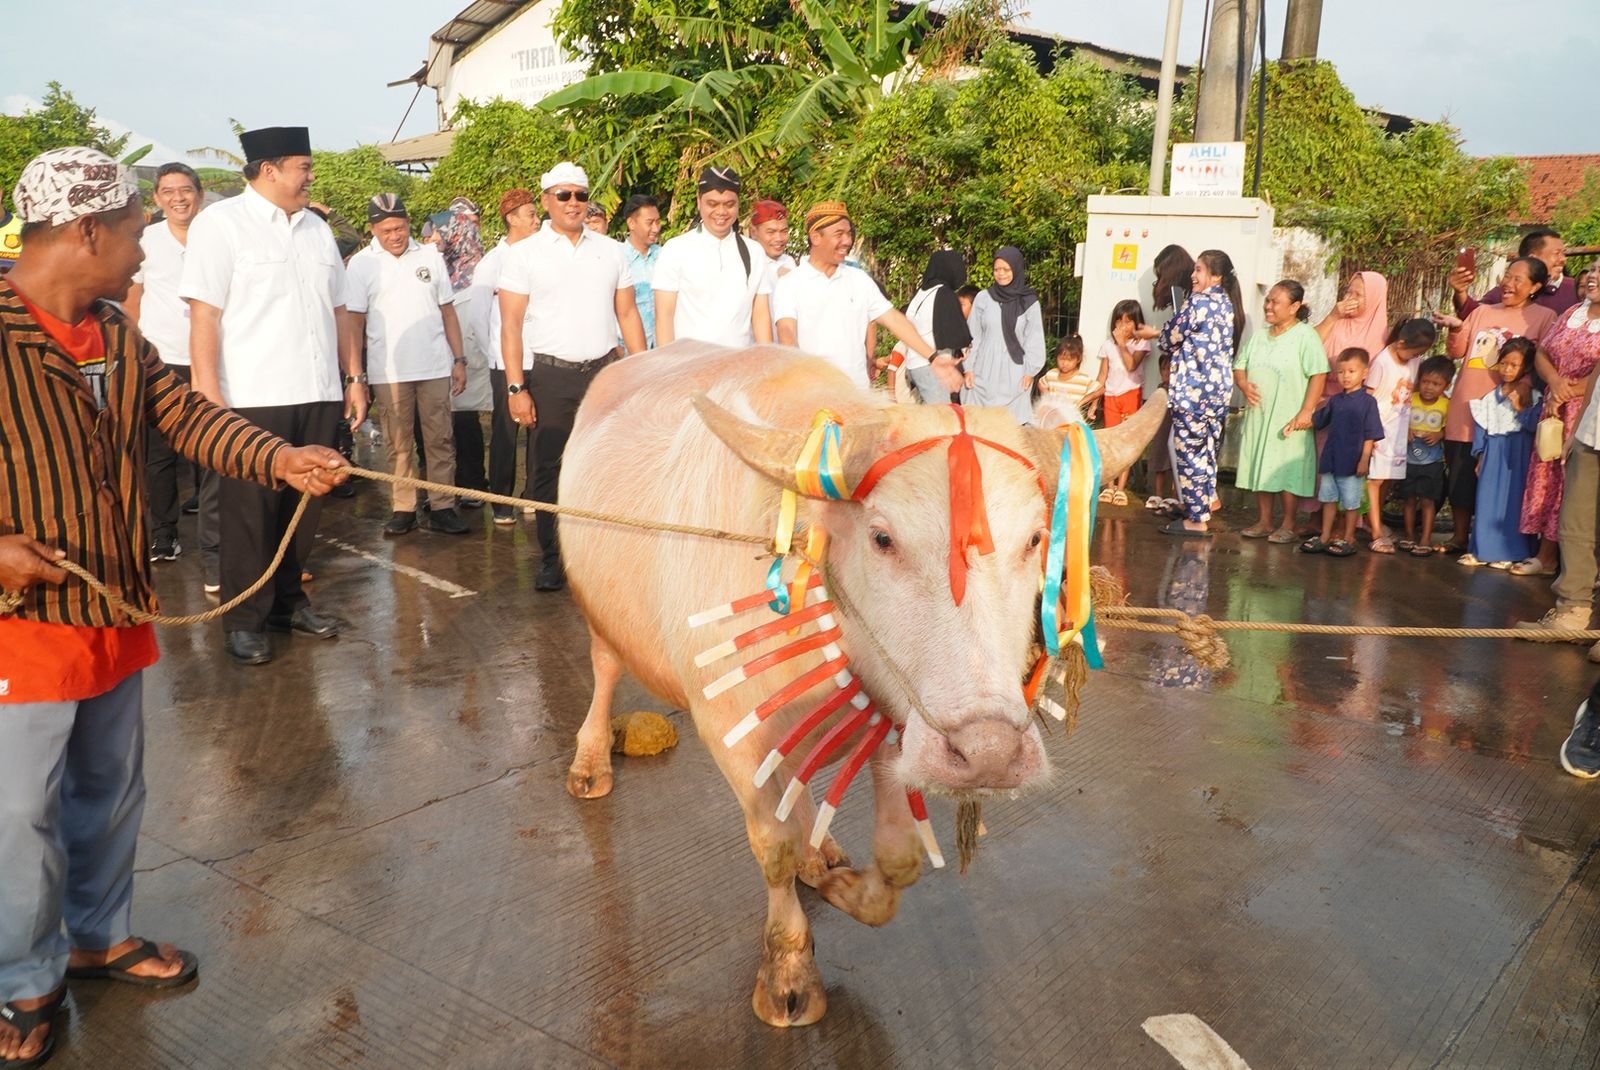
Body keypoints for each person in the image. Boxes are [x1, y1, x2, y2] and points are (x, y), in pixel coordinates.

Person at [0, 145, 348, 1070]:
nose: (144, 251)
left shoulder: (114, 331)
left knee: (110, 792)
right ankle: (21, 984)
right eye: (128, 234)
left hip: (112, 610)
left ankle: (96, 936)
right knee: (15, 818)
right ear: (85, 232)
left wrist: (278, 458)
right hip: (19, 627)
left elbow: (185, 415)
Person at [180, 126, 364, 666]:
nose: (310, 178)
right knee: (248, 515)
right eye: (303, 168)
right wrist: (207, 394)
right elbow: (204, 314)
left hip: (318, 391)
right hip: (251, 396)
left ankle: (288, 603)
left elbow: (340, 311)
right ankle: (245, 619)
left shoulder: (316, 230)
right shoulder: (222, 225)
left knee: (304, 507)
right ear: (269, 169)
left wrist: (353, 377)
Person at [498, 162, 647, 592]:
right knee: (549, 470)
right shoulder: (524, 255)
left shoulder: (610, 250)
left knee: (610, 466)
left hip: (604, 372)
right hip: (550, 376)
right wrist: (516, 387)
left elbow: (627, 313)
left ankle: (604, 557)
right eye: (563, 195)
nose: (573, 204)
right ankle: (553, 557)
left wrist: (644, 370)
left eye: (580, 195)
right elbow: (511, 325)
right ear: (545, 201)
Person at [343, 193, 470, 538]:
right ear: (373, 230)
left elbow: (448, 311)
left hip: (434, 366)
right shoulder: (361, 265)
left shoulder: (429, 255)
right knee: (398, 443)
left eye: (399, 227)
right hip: (390, 371)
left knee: (440, 439)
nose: (395, 236)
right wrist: (357, 375)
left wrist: (459, 360)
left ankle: (443, 505)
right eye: (386, 230)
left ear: (408, 223)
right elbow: (354, 323)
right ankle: (404, 507)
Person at [1435, 256, 1557, 556]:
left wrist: (1523, 390)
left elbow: (1545, 361)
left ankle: (1498, 543)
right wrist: (1454, 328)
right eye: (1507, 276)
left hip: (1508, 416)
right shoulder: (1482, 312)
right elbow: (1458, 350)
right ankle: (1460, 536)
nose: (1507, 283)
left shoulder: (1544, 317)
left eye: (1517, 279)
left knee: (1502, 482)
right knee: (1461, 475)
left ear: (1535, 286)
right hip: (1467, 408)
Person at [771, 200, 949, 392]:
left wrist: (932, 357)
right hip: (814, 396)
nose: (847, 241)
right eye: (839, 234)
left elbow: (895, 320)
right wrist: (803, 380)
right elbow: (787, 334)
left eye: (849, 234)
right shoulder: (790, 283)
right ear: (815, 237)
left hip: (857, 395)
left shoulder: (858, 279)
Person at [124, 163, 205, 565]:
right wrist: (134, 352)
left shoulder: (216, 236)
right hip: (161, 360)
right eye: (169, 191)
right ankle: (164, 533)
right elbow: (132, 300)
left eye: (185, 190)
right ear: (157, 198)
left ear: (199, 194)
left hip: (209, 358)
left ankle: (215, 534)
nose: (178, 198)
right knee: (161, 455)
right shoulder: (147, 241)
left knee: (211, 449)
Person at [1514, 263, 1600, 576]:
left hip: (1588, 412)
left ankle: (1579, 569)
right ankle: (1545, 556)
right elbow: (1542, 352)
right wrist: (1555, 384)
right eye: (1592, 269)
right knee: (1546, 479)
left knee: (1575, 485)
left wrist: (1567, 391)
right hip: (1555, 408)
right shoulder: (1572, 313)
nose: (1592, 276)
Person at [1231, 280, 1327, 541]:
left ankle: (1288, 524)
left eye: (1275, 302)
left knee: (1287, 470)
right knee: (1261, 464)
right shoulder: (1260, 335)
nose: (1268, 306)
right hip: (1260, 414)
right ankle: (1263, 521)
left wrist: (1307, 411)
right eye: (1268, 300)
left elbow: (1319, 374)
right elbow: (1240, 365)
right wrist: (1243, 383)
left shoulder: (1306, 336)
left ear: (1294, 306)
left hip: (1289, 415)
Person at [1159, 249, 1244, 536]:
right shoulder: (1226, 304)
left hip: (1192, 394)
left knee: (1190, 454)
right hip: (1217, 395)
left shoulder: (1197, 302)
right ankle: (1201, 505)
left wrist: (1160, 334)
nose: (1193, 276)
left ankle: (1195, 520)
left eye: (1198, 270)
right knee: (1206, 453)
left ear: (1215, 276)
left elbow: (1170, 338)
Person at [475, 188, 541, 525]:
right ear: (511, 218)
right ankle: (501, 501)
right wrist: (496, 356)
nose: (536, 220)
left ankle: (534, 495)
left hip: (540, 356)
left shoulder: (542, 255)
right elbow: (478, 315)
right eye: (530, 214)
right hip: (505, 361)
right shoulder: (492, 263)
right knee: (504, 431)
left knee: (538, 429)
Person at [652, 165, 772, 347]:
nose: (721, 212)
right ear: (699, 202)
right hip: (690, 366)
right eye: (713, 204)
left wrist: (767, 364)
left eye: (729, 204)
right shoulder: (676, 249)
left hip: (739, 366)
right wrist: (667, 371)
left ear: (739, 204)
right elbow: (664, 319)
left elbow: (760, 314)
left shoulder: (754, 252)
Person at [434, 196, 492, 509]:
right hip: (442, 345)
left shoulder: (479, 265)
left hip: (469, 343)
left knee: (465, 415)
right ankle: (445, 485)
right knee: (442, 418)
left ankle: (472, 482)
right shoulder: (434, 263)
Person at [1463, 337, 1540, 569]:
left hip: (1519, 453)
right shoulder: (1489, 397)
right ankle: (1481, 550)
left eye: (1513, 365)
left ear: (1525, 367)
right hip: (1494, 453)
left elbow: (1535, 426)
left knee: (1514, 502)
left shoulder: (1533, 397)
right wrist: (1480, 455)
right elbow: (1482, 428)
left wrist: (1519, 408)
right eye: (1503, 363)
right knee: (1486, 501)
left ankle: (1510, 552)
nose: (1507, 369)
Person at [1363, 318, 1438, 553]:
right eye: (1416, 351)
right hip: (1379, 430)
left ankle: (1372, 521)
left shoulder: (1414, 362)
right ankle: (1375, 532)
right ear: (1401, 342)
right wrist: (1369, 434)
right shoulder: (1382, 362)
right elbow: (1368, 399)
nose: (1418, 356)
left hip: (1398, 431)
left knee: (1387, 478)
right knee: (1374, 481)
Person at [1300, 348, 1384, 557]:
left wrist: (1364, 459)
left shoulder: (1368, 402)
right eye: (1341, 372)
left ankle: (1349, 537)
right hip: (1331, 459)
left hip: (1353, 461)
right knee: (1328, 499)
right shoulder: (1335, 401)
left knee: (1350, 502)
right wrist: (1298, 419)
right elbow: (1318, 420)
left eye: (1351, 371)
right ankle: (1325, 536)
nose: (1345, 376)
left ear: (1364, 373)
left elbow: (1370, 434)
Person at [963, 246, 1045, 424]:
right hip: (984, 368)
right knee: (978, 422)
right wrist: (968, 368)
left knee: (1011, 424)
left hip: (1013, 371)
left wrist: (1030, 371)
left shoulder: (1028, 302)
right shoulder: (983, 298)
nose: (1001, 274)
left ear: (1016, 269)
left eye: (1006, 269)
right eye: (996, 269)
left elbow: (1034, 338)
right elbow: (973, 336)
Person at [891, 250, 972, 404]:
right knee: (941, 416)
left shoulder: (921, 293)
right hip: (933, 365)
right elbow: (954, 331)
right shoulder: (943, 293)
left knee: (931, 413)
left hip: (915, 363)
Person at [1396, 356, 1454, 556]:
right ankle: (1409, 535)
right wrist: (1406, 430)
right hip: (1408, 460)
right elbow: (1398, 417)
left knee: (1428, 501)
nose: (1429, 387)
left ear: (1446, 385)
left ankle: (1426, 538)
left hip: (1432, 462)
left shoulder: (1447, 405)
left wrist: (1440, 434)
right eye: (1426, 382)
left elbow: (1449, 429)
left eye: (1436, 384)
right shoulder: (1411, 399)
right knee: (1409, 499)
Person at [1452, 227, 1576, 319]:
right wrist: (1460, 291)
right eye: (1556, 253)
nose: (1563, 259)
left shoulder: (1574, 289)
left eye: (1563, 253)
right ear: (1533, 258)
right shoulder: (1505, 291)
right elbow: (1474, 315)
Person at [1096, 302, 1152, 498]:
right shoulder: (1107, 345)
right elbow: (1102, 376)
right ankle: (1109, 486)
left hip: (1132, 395)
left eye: (1128, 322)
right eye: (1119, 321)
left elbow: (1131, 366)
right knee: (1110, 440)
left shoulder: (1141, 343)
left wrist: (1121, 344)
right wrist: (1094, 400)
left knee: (1126, 441)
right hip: (1111, 396)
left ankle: (1121, 489)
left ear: (1137, 323)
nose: (1123, 326)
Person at [619, 194, 662, 349]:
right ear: (631, 223)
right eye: (649, 223)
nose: (656, 228)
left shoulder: (665, 257)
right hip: (627, 351)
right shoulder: (618, 259)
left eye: (658, 222)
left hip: (662, 349)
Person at [1038, 336, 1100, 414]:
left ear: (1078, 359)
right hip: (1054, 418)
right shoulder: (1052, 374)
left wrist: (1083, 402)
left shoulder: (1083, 378)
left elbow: (1100, 390)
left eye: (1069, 360)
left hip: (1073, 420)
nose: (1065, 363)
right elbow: (1041, 383)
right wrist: (1048, 396)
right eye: (1061, 359)